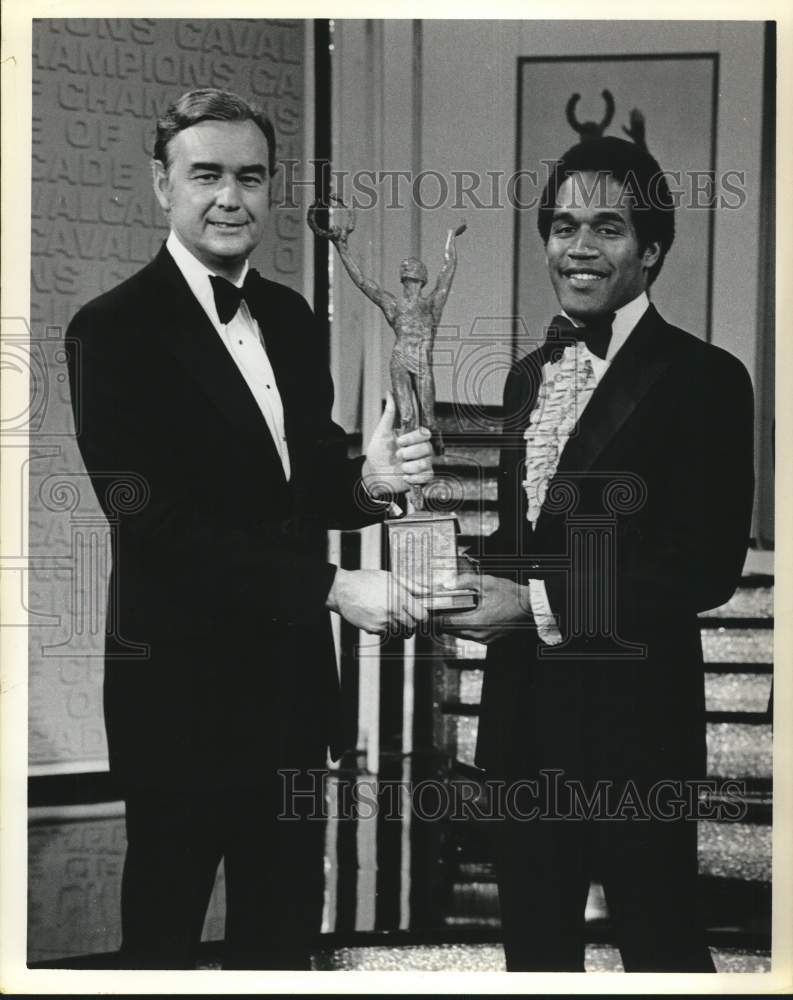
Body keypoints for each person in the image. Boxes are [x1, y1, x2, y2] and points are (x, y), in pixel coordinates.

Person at [65, 88, 434, 970]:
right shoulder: (109, 331)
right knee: (162, 941)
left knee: (280, 941)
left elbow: (304, 484)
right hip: (178, 700)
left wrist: (369, 485)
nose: (231, 197)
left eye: (250, 176)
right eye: (207, 176)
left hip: (289, 692)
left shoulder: (295, 320)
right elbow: (157, 524)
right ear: (163, 186)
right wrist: (334, 587)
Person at [444, 135, 755, 971]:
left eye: (608, 228)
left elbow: (703, 567)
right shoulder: (523, 377)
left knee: (661, 954)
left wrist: (534, 606)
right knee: (535, 962)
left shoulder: (706, 378)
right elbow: (530, 541)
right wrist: (457, 580)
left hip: (634, 735)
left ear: (651, 251)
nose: (579, 247)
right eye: (563, 225)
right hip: (523, 728)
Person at [309, 200, 466, 499]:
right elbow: (362, 282)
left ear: (420, 276)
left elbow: (449, 269)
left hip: (421, 362)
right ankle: (413, 495)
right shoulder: (393, 304)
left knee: (429, 422)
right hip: (400, 360)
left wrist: (451, 236)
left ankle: (435, 447)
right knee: (407, 419)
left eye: (412, 268)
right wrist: (342, 248)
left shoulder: (432, 303)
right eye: (405, 268)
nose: (407, 269)